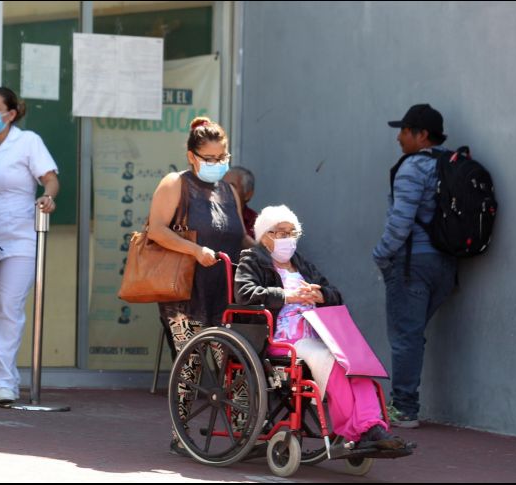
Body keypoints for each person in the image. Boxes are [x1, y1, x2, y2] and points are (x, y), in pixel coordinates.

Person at [235, 204, 406, 449]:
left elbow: (335, 294)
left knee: (356, 363)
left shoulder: (301, 264)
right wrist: (287, 295)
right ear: (265, 236)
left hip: (316, 334)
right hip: (281, 339)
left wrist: (320, 295)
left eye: (292, 233)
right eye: (281, 232)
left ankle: (373, 426)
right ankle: (354, 431)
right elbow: (244, 294)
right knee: (331, 361)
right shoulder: (252, 260)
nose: (288, 239)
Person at [147, 116, 246, 454]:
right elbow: (156, 230)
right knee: (189, 362)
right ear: (192, 156)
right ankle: (181, 433)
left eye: (223, 157)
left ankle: (242, 430)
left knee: (232, 361)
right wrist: (194, 249)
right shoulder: (176, 183)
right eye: (211, 158)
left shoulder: (229, 189)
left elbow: (239, 236)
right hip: (185, 290)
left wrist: (268, 246)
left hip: (224, 289)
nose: (218, 164)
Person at [0, 86, 59, 406]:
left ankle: (6, 381)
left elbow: (50, 177)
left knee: (9, 306)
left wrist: (48, 195)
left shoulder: (27, 142)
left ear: (10, 113)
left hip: (19, 234)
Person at [373, 104, 457, 429]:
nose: (399, 137)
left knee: (405, 336)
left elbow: (400, 223)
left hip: (412, 265)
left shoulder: (413, 168)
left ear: (421, 135)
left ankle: (404, 408)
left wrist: (380, 256)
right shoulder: (450, 164)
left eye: (405, 131)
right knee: (413, 334)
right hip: (445, 266)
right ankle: (406, 401)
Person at [223, 166, 258, 246]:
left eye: (232, 187)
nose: (224, 190)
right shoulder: (208, 216)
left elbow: (261, 254)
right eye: (222, 185)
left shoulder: (256, 224)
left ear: (248, 195)